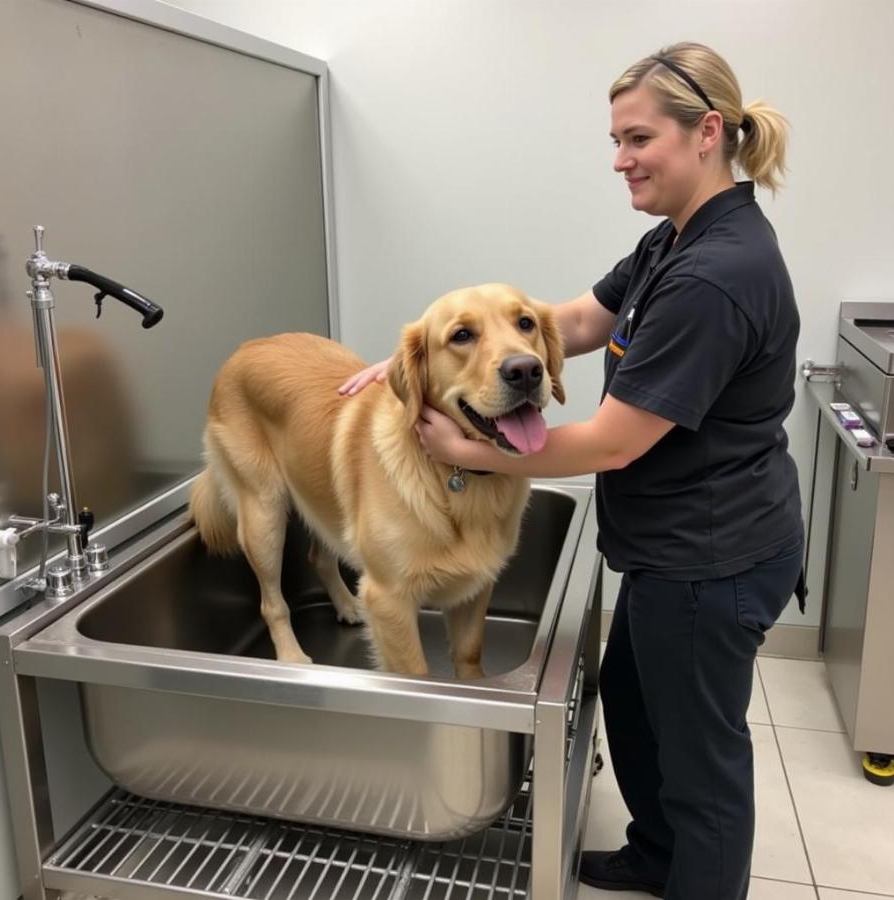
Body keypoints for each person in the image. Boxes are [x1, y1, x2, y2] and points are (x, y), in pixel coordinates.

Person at [340, 41, 804, 900]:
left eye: (637, 139)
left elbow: (610, 444)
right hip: (676, 550)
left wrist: (467, 447)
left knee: (702, 766)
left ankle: (692, 873)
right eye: (615, 141)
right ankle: (655, 855)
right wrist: (433, 352)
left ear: (707, 132)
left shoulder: (717, 274)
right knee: (631, 706)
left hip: (714, 558)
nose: (620, 160)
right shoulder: (674, 240)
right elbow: (579, 319)